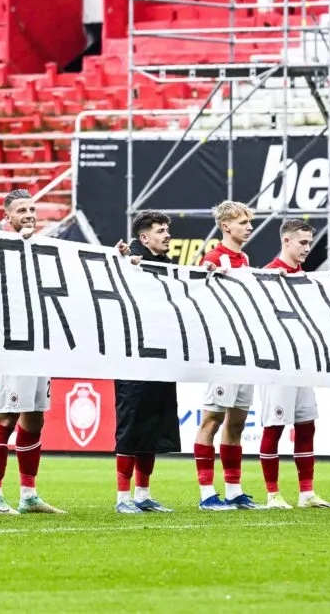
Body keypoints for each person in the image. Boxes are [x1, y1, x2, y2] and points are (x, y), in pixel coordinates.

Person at [0, 190, 64, 516]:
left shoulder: (42, 247)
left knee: (35, 419)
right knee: (6, 416)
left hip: (38, 342)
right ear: (7, 217)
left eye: (32, 208)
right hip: (11, 343)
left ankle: (29, 495)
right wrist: (20, 247)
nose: (30, 214)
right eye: (21, 210)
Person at [257, 219, 330, 510]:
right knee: (274, 427)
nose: (307, 248)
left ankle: (306, 493)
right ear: (286, 241)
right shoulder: (267, 274)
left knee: (306, 426)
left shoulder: (304, 277)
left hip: (302, 363)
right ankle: (273, 495)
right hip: (277, 366)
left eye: (309, 243)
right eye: (302, 242)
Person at [111, 211, 180, 514]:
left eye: (167, 230)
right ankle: (122, 498)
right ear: (144, 238)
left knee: (153, 426)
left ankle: (143, 494)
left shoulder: (168, 267)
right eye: (161, 230)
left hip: (162, 357)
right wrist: (123, 262)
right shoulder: (129, 263)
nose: (167, 235)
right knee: (131, 426)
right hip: (133, 359)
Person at [194, 200, 261, 511]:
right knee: (212, 419)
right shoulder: (213, 258)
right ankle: (207, 493)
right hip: (224, 352)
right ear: (226, 227)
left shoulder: (243, 258)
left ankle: (233, 491)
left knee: (237, 422)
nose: (249, 227)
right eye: (243, 222)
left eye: (249, 222)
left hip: (245, 350)